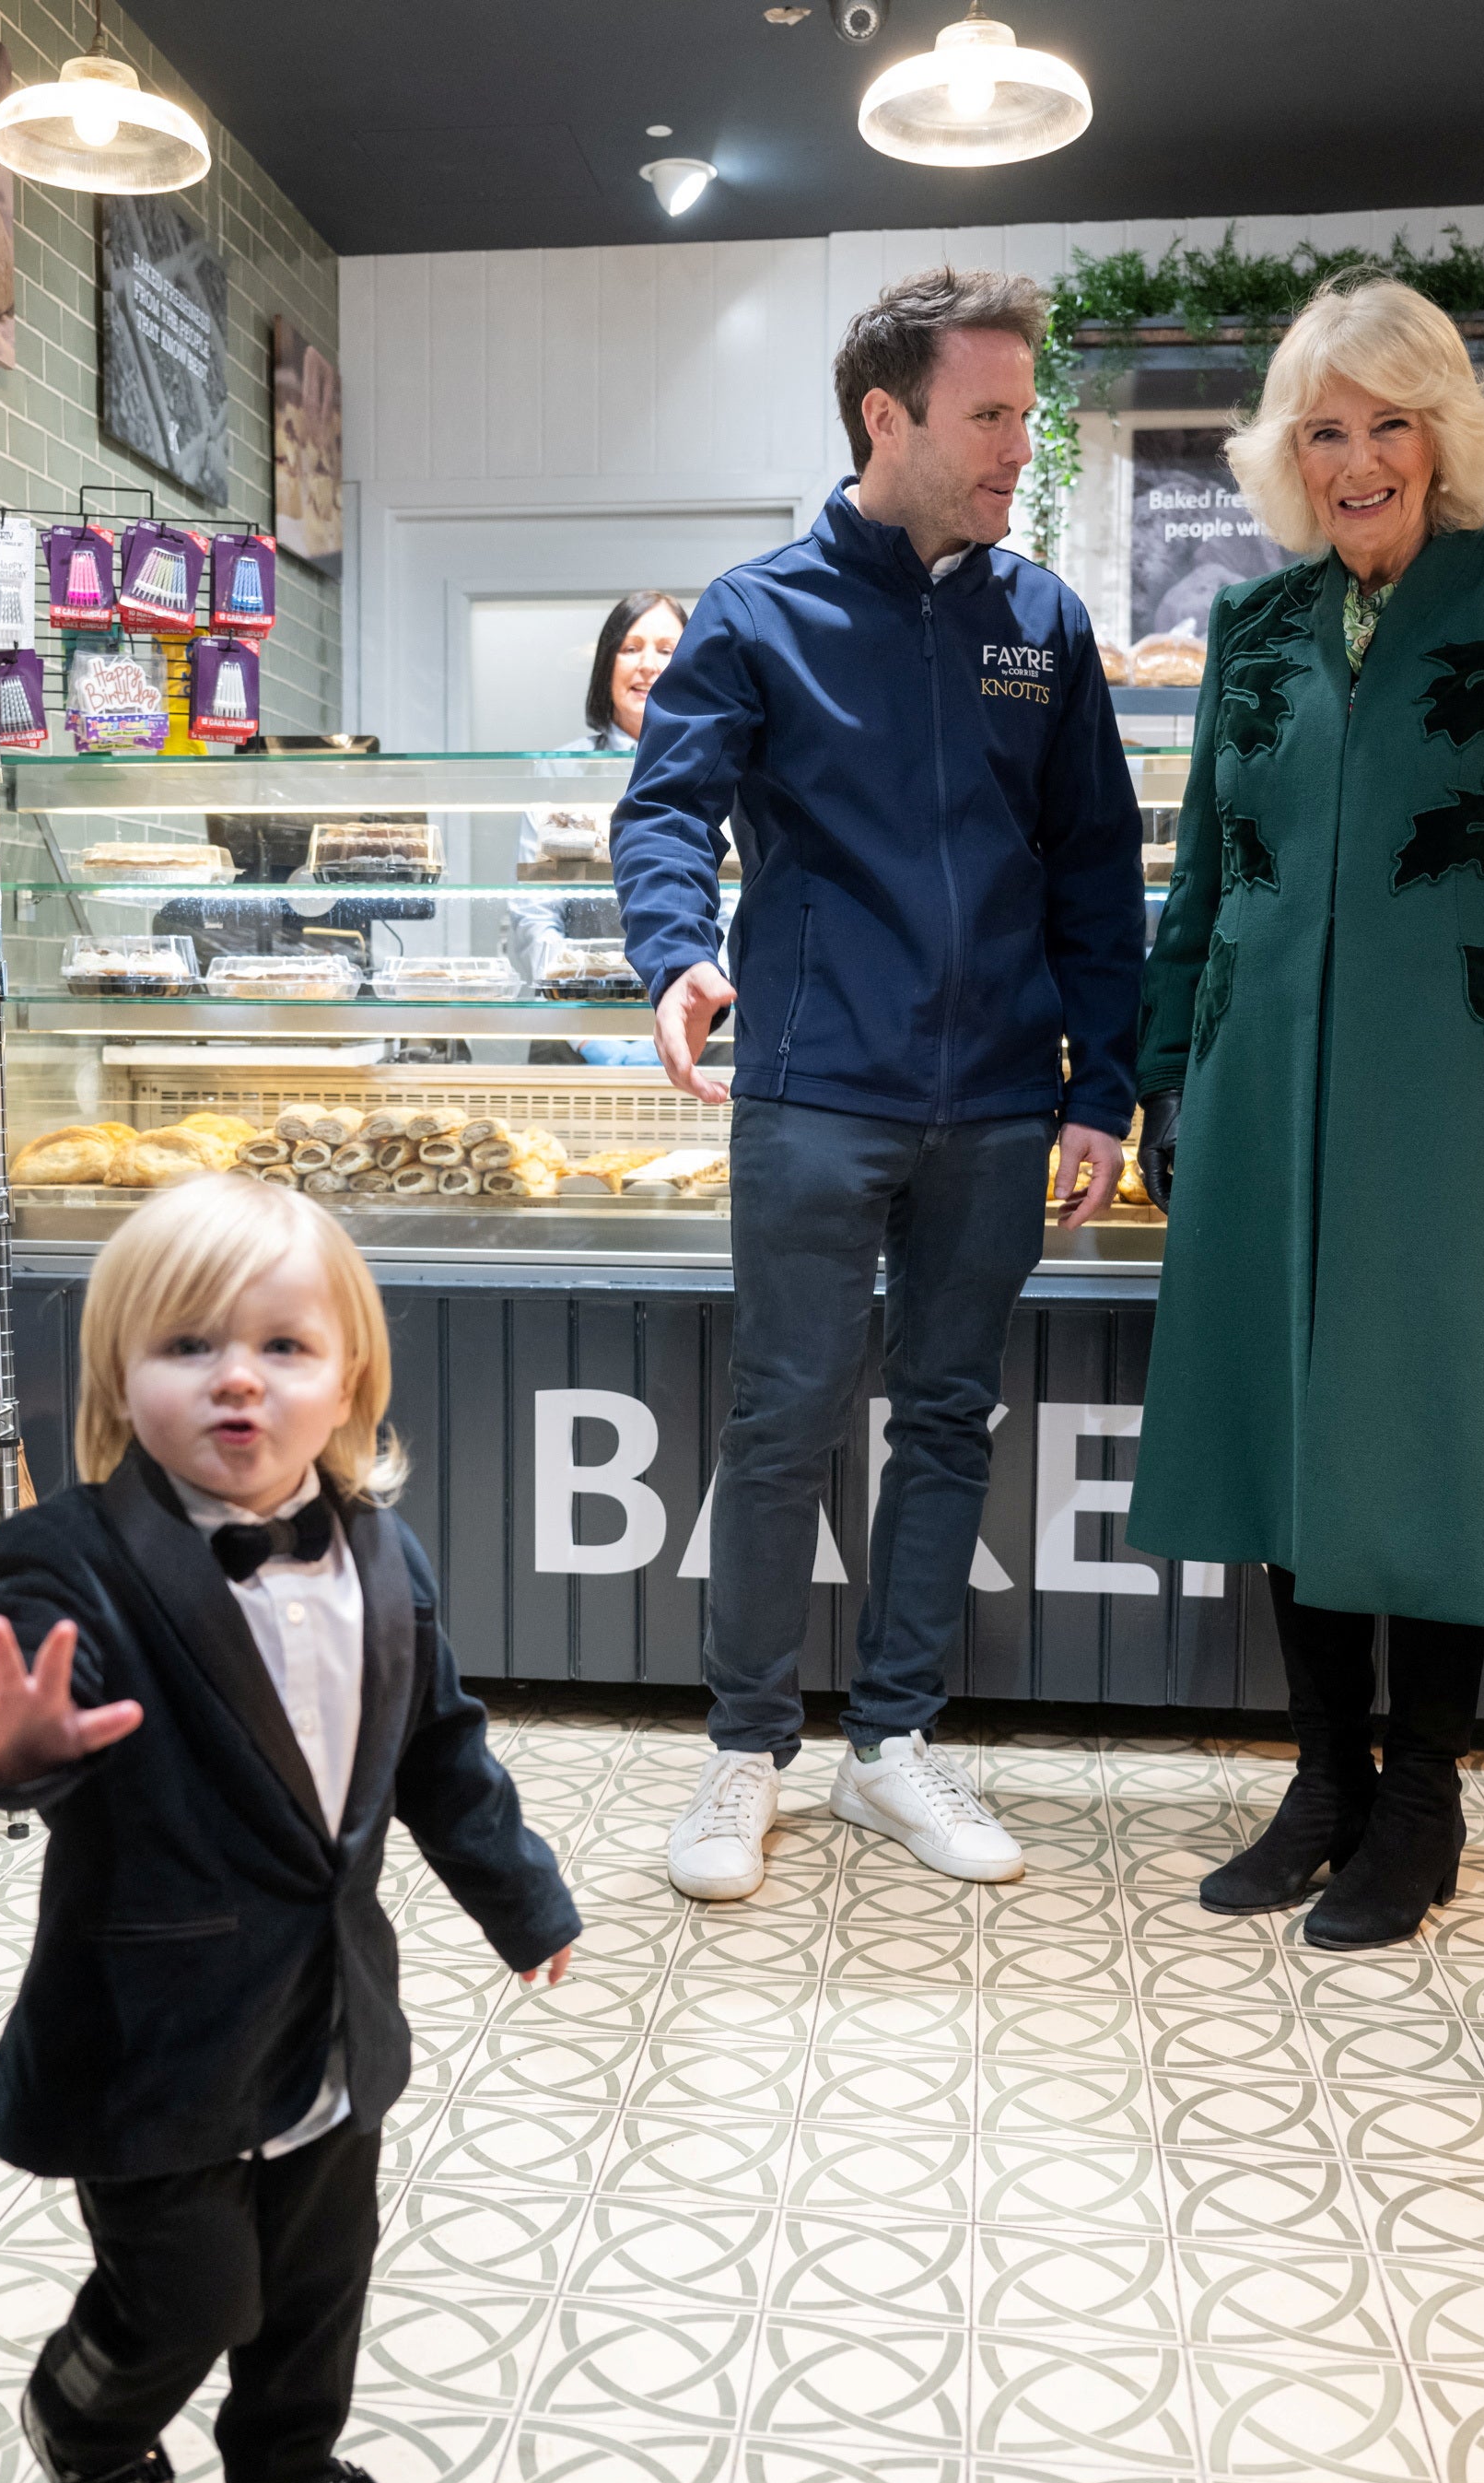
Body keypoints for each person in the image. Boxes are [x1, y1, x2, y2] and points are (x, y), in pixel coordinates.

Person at [0, 1175, 578, 2483]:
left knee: (315, 2289)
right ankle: (91, 2435)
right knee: (190, 2293)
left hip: (329, 2017)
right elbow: (18, 1705)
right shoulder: (66, 1557)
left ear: (351, 1375)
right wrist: (13, 1755)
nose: (239, 1376)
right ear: (117, 1374)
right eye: (188, 1347)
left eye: (285, 1346)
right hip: (153, 2028)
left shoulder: (382, 1550)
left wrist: (523, 1900)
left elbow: (437, 1749)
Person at [611, 265, 1145, 1903]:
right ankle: (742, 1751)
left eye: (1023, 413)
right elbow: (663, 810)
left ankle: (891, 1745)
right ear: (885, 416)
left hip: (995, 1099)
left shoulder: (1038, 622)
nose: (1015, 446)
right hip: (813, 1088)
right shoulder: (756, 610)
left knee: (946, 1422)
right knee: (780, 1423)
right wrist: (674, 951)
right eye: (989, 415)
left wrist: (1099, 1086)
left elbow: (1096, 872)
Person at [1126, 278, 1484, 1949]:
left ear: (1444, 434)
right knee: (1291, 1424)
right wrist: (1167, 1070)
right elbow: (1206, 867)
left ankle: (1423, 1796)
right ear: (1287, 454)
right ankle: (1325, 1777)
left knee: (1432, 1431)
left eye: (1385, 424)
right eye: (1323, 431)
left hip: (1457, 1086)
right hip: (1264, 1081)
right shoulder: (1255, 627)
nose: (1356, 461)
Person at [506, 591, 686, 1001]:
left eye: (666, 650)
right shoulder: (559, 770)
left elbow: (732, 910)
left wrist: (698, 1009)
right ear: (608, 664)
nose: (647, 665)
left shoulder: (717, 764)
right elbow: (533, 911)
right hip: (574, 1017)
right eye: (630, 648)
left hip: (699, 1023)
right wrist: (582, 1031)